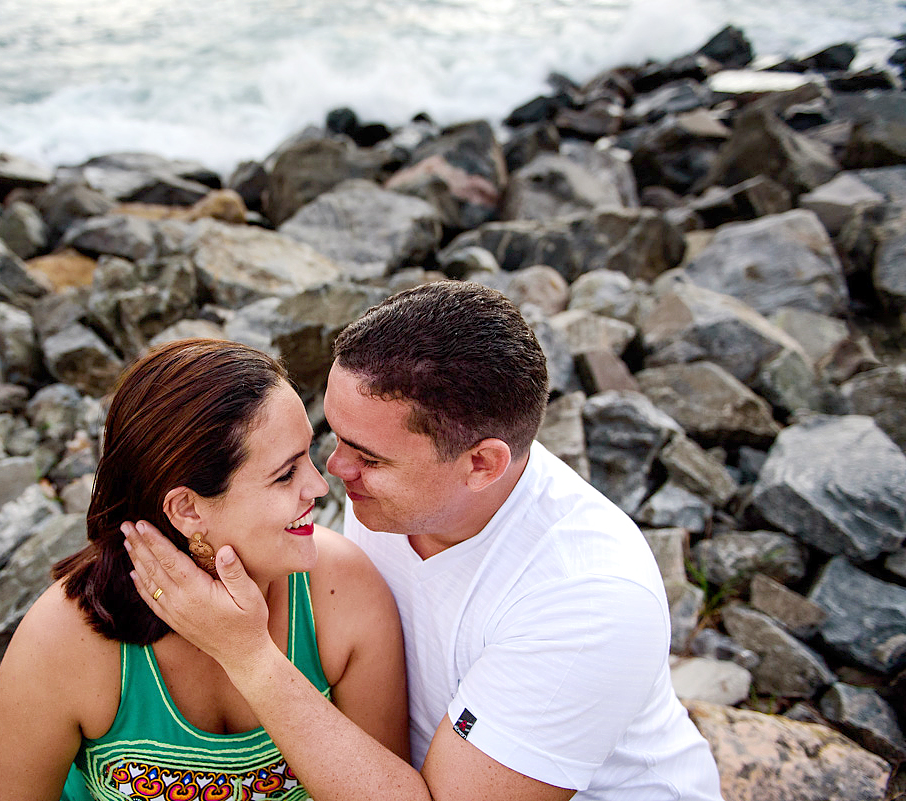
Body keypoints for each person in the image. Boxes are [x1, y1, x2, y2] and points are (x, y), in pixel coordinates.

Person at [125, 281, 725, 801]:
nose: (331, 472)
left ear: (483, 465)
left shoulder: (586, 597)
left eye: (369, 457)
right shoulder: (398, 493)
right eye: (335, 436)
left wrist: (248, 657)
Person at [0, 338, 409, 801]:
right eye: (286, 474)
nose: (320, 487)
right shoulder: (67, 639)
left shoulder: (344, 591)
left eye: (309, 456)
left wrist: (250, 655)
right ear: (187, 509)